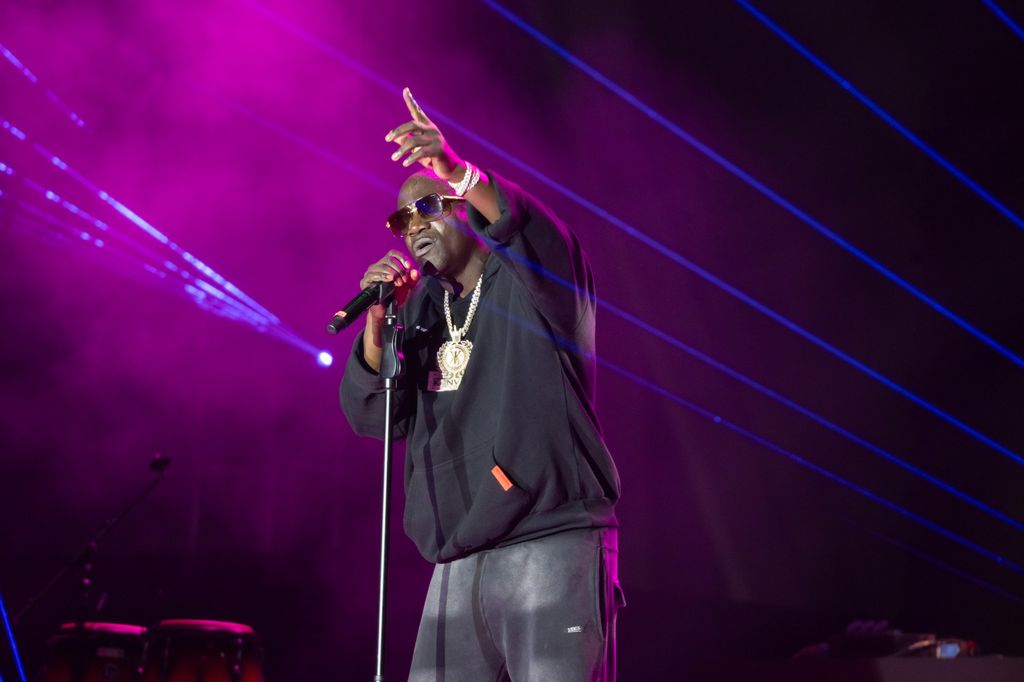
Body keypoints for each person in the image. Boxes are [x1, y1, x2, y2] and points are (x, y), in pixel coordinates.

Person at [340, 87, 623, 681]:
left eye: (428, 207)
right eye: (400, 221)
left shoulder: (534, 281)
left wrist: (456, 170)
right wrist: (376, 327)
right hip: (457, 557)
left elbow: (526, 227)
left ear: (467, 209)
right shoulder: (420, 312)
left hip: (549, 537)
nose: (412, 227)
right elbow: (373, 418)